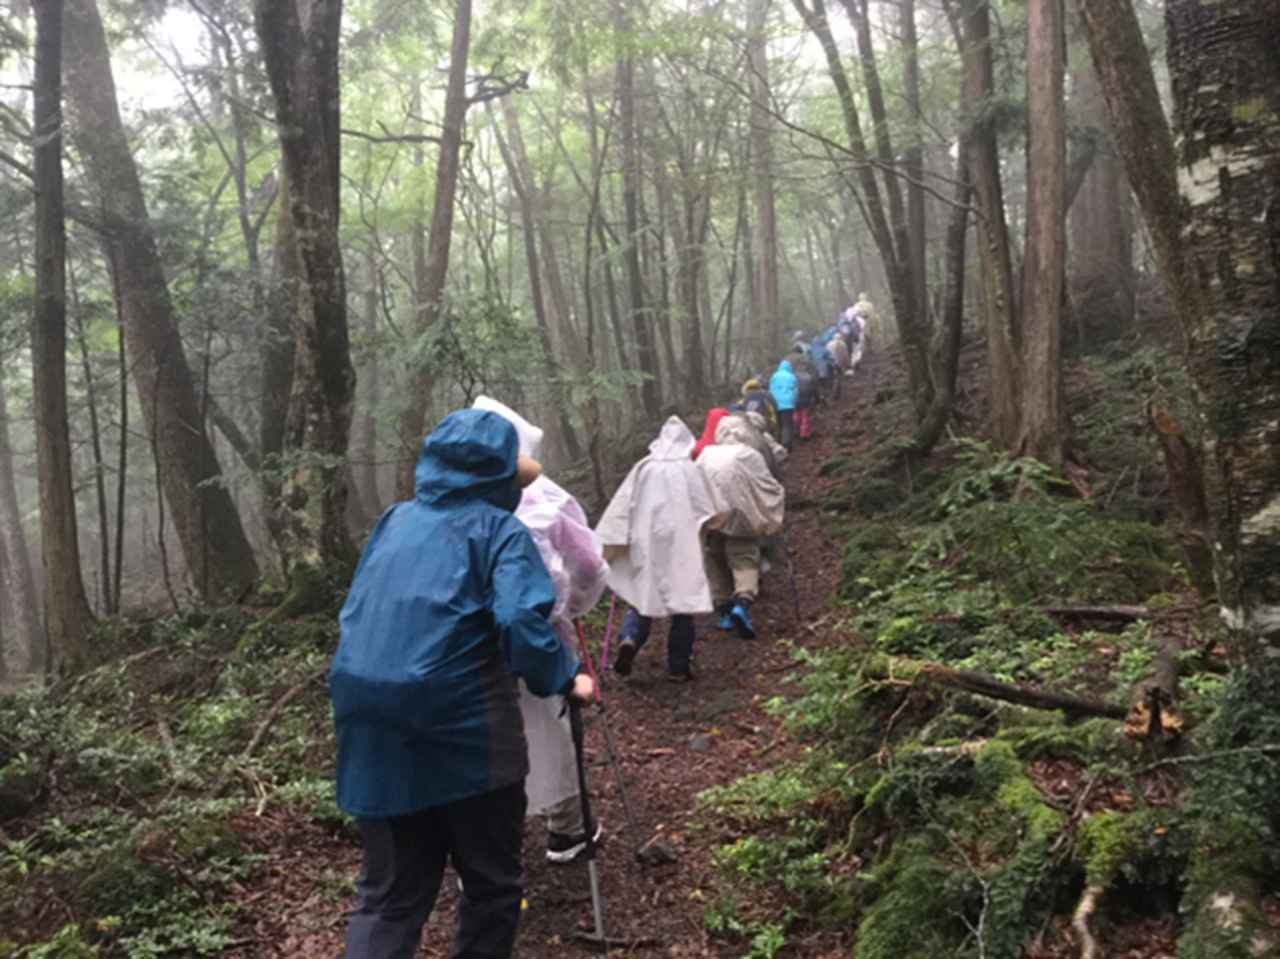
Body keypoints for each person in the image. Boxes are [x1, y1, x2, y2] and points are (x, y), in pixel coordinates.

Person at [330, 408, 595, 959]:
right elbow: (522, 623)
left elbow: (358, 612)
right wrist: (567, 678)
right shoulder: (499, 531)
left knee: (389, 896)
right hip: (466, 729)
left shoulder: (393, 522)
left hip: (370, 726)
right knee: (492, 884)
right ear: (501, 480)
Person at [473, 396, 608, 865]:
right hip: (542, 634)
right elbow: (588, 562)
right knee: (554, 724)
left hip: (469, 649)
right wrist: (574, 603)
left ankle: (488, 849)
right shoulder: (548, 498)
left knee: (489, 737)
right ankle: (567, 829)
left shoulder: (441, 505)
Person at [596, 416, 721, 682]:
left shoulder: (644, 468)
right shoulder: (690, 469)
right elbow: (707, 507)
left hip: (647, 541)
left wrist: (613, 542)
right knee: (682, 603)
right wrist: (713, 525)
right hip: (682, 544)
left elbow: (622, 507)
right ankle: (678, 667)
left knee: (644, 596)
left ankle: (629, 638)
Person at [696, 430, 786, 639]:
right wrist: (775, 505)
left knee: (715, 558)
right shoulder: (749, 455)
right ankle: (742, 604)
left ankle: (724, 612)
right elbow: (765, 483)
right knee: (744, 557)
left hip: (711, 515)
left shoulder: (706, 454)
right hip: (740, 514)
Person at [768, 359, 799, 451]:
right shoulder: (791, 376)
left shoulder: (774, 376)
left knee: (778, 424)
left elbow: (770, 390)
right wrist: (794, 402)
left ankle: (778, 443)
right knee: (787, 424)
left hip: (775, 403)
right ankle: (787, 445)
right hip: (788, 404)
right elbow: (796, 391)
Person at [790, 345, 819, 440]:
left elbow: (791, 388)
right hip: (806, 399)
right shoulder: (808, 376)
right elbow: (813, 389)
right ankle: (804, 433)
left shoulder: (793, 376)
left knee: (796, 414)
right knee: (805, 415)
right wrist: (815, 398)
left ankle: (795, 430)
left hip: (796, 398)